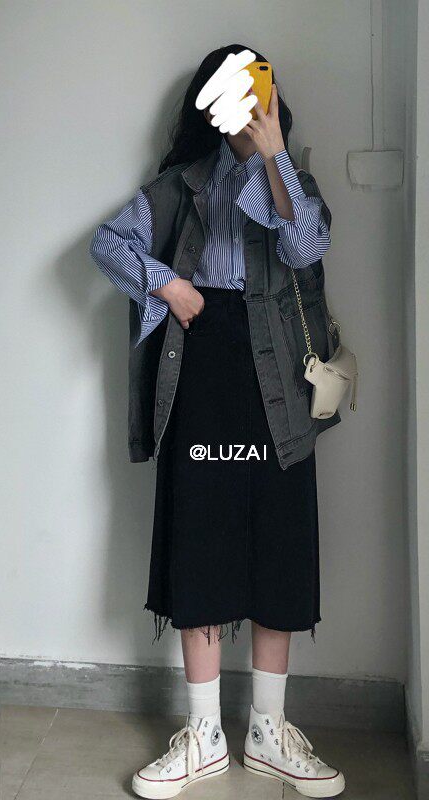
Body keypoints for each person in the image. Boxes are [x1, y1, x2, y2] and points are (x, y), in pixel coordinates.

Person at [89, 44, 344, 798]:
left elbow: (306, 246)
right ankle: (202, 734)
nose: (246, 108)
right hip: (200, 375)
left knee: (279, 539)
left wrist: (273, 156)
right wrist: (167, 284)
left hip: (279, 383)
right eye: (232, 95)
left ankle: (268, 730)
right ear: (210, 105)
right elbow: (108, 243)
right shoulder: (181, 185)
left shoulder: (294, 180)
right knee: (199, 537)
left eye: (257, 92)